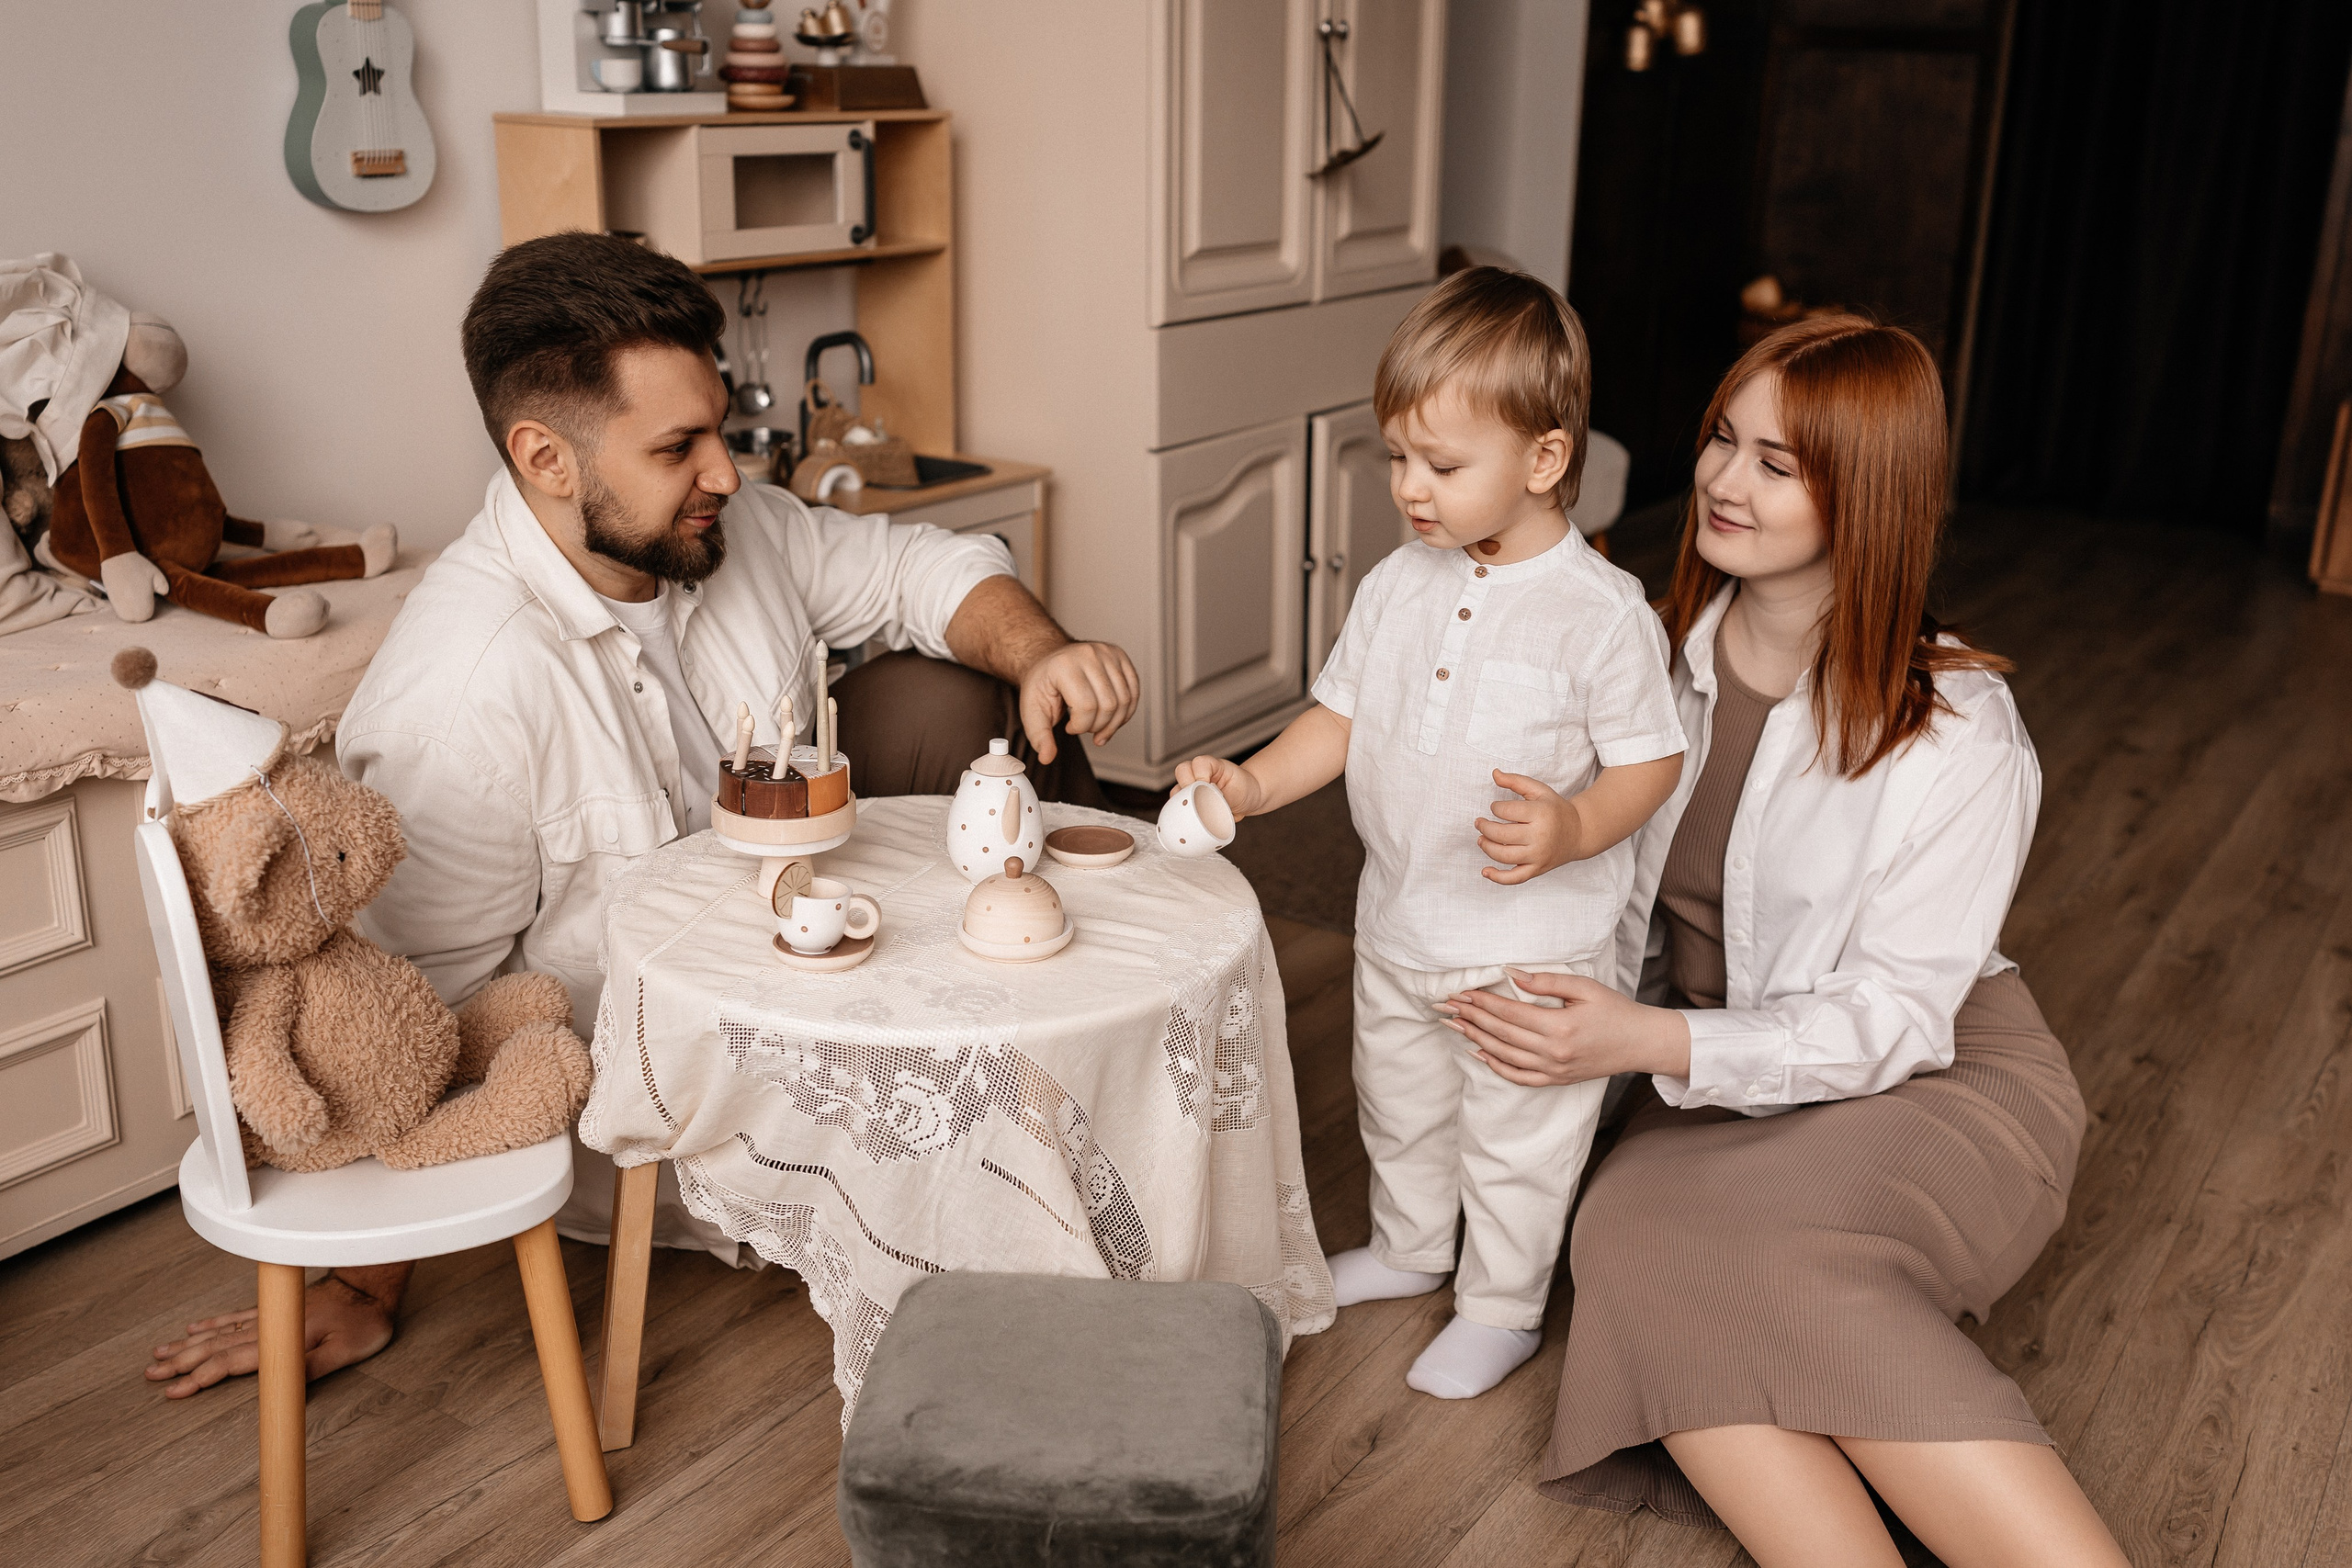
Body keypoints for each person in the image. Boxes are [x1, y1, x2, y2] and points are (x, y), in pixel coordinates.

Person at [146, 231, 1139, 1397]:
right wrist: (365, 1284)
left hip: (809, 934)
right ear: (546, 458)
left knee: (959, 691)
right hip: (664, 1067)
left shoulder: (728, 528)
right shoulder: (460, 695)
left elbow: (922, 566)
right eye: (679, 447)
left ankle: (1076, 1053)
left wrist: (1041, 650)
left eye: (721, 429)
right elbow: (411, 1012)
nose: (725, 472)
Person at [1442, 315, 2129, 1565]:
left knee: (1769, 1263)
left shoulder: (1962, 724)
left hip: (1937, 1075)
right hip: (1707, 1071)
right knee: (1631, 1237)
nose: (1721, 479)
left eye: (1775, 462)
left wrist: (1641, 1039)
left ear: (1866, 494)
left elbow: (1896, 1015)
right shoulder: (1637, 658)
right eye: (1721, 439)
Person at [1173, 268, 1685, 1401]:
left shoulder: (1600, 615)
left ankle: (1499, 1306)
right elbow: (1340, 718)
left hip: (1530, 950)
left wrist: (1575, 825)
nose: (1409, 489)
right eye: (1398, 458)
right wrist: (1250, 788)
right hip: (1400, 919)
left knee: (1517, 1135)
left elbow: (1653, 757)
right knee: (1397, 1098)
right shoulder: (1402, 584)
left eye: (1442, 468)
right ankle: (1411, 1247)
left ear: (1543, 461)